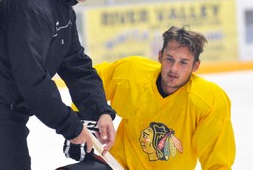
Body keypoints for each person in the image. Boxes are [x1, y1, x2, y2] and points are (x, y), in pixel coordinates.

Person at [0, 0, 117, 169]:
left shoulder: (62, 10)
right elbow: (32, 79)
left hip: (7, 114)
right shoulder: (30, 7)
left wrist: (99, 111)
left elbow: (77, 66)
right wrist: (72, 127)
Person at [61, 26, 236, 170]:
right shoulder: (131, 73)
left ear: (195, 66)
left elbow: (217, 161)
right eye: (169, 59)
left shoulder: (208, 102)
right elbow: (87, 84)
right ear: (160, 56)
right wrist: (82, 121)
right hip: (116, 165)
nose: (174, 68)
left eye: (183, 62)